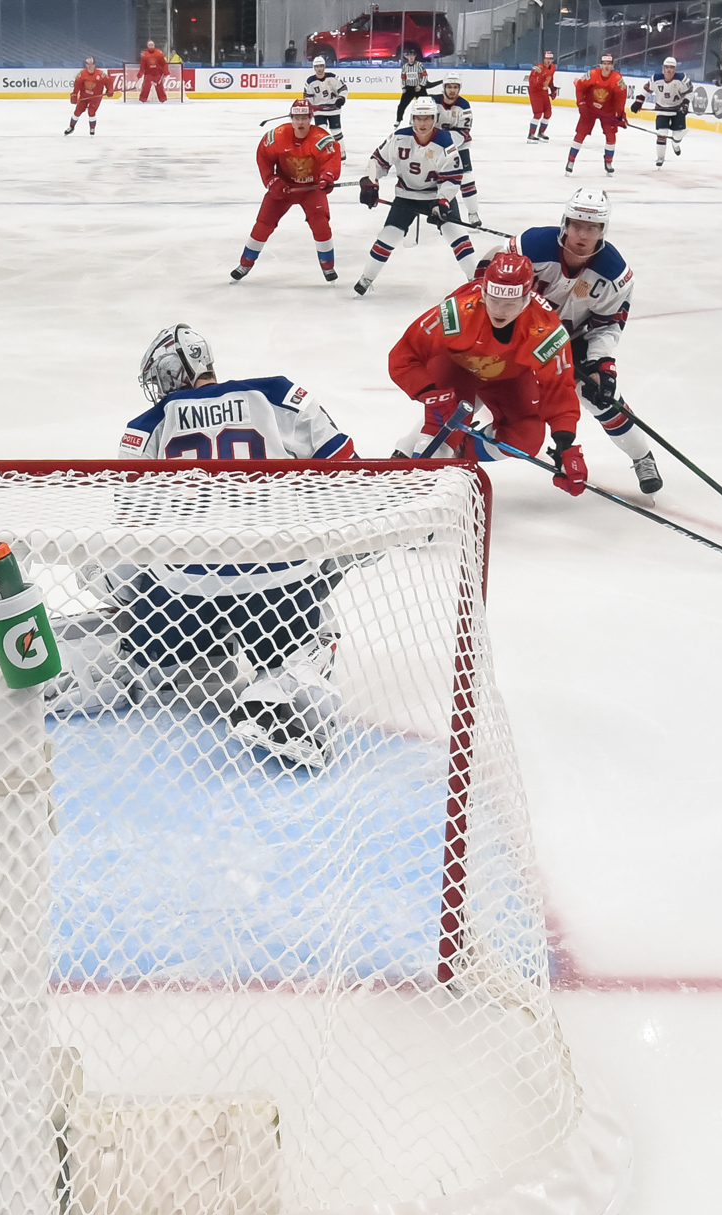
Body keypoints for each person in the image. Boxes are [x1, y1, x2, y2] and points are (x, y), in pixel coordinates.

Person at [108, 325, 357, 767]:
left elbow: (131, 524)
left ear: (169, 374)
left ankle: (172, 652)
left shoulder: (146, 426)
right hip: (281, 585)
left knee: (107, 568)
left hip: (184, 594)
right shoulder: (279, 393)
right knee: (333, 557)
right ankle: (283, 677)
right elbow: (347, 471)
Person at [472, 189, 661, 493]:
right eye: (576, 225)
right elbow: (490, 269)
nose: (581, 234)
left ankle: (641, 456)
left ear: (603, 230)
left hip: (567, 342)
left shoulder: (614, 275)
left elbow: (607, 324)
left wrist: (601, 364)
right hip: (514, 334)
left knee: (600, 396)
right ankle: (421, 450)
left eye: (591, 227)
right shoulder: (532, 245)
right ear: (565, 223)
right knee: (472, 384)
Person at [386, 251, 588, 493]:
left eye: (510, 303)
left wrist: (565, 442)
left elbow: (558, 388)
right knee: (441, 428)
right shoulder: (457, 312)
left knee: (528, 438)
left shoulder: (545, 329)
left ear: (527, 298)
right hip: (455, 366)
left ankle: (461, 451)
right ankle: (424, 481)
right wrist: (428, 391)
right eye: (494, 300)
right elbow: (404, 355)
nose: (500, 311)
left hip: (508, 375)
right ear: (482, 292)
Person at [352, 96, 477, 296]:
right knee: (387, 237)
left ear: (434, 118)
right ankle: (366, 278)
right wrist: (372, 180)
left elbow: (453, 178)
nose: (422, 123)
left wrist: (443, 202)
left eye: (427, 118)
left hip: (437, 197)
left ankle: (476, 281)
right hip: (406, 195)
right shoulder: (399, 137)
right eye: (419, 118)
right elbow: (378, 161)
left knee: (458, 236)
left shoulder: (445, 142)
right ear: (412, 119)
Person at [233, 100, 341, 283]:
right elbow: (264, 158)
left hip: (311, 189)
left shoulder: (321, 139)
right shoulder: (277, 136)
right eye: (297, 118)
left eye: (305, 118)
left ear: (311, 118)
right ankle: (245, 264)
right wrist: (272, 180)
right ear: (291, 119)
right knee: (263, 224)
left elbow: (331, 160)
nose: (301, 122)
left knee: (321, 224)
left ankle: (328, 266)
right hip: (284, 189)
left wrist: (327, 177)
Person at [566, 52, 628, 177]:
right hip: (589, 109)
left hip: (608, 111)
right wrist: (581, 103)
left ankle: (608, 162)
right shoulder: (592, 75)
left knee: (611, 136)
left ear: (612, 65)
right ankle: (570, 161)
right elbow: (579, 86)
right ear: (600, 65)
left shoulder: (617, 79)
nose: (606, 67)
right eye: (604, 64)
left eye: (609, 64)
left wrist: (620, 114)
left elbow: (621, 97)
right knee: (580, 134)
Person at [433, 76, 480, 222]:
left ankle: (473, 214)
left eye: (455, 87)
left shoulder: (464, 105)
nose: (452, 90)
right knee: (431, 179)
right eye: (449, 87)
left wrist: (441, 140)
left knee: (466, 179)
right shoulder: (432, 102)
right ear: (444, 88)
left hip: (460, 147)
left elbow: (463, 133)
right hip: (434, 146)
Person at [632, 56, 692, 165]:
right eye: (667, 67)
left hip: (678, 110)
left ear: (675, 69)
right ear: (663, 68)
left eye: (672, 67)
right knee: (661, 134)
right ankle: (660, 157)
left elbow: (690, 92)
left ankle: (676, 143)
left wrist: (686, 103)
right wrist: (638, 102)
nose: (669, 70)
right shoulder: (656, 79)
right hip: (662, 110)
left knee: (677, 135)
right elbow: (645, 90)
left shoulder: (682, 79)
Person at [304, 55, 348, 152]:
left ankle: (342, 153)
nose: (319, 69)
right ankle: (323, 154)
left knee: (336, 132)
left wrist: (341, 98)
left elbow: (343, 89)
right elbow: (308, 97)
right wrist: (309, 108)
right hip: (319, 112)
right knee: (321, 132)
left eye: (321, 66)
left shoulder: (333, 77)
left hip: (334, 110)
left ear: (324, 67)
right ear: (314, 68)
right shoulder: (310, 81)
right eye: (317, 66)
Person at [66, 57, 110, 136]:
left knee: (91, 112)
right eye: (88, 64)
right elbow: (77, 85)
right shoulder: (82, 74)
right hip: (84, 97)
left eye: (91, 64)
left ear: (94, 65)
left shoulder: (101, 74)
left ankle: (92, 128)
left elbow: (108, 82)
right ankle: (71, 127)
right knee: (77, 111)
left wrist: (110, 90)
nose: (90, 66)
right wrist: (74, 94)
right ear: (86, 65)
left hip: (96, 97)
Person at [527, 50, 558, 142]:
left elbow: (550, 79)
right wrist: (539, 81)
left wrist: (552, 88)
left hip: (544, 92)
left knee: (548, 113)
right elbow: (532, 81)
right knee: (538, 113)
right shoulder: (538, 68)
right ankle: (531, 134)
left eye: (550, 59)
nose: (548, 61)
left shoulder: (552, 67)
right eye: (547, 58)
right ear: (543, 59)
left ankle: (541, 133)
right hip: (536, 92)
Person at [396, 49, 433, 121]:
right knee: (401, 106)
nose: (411, 57)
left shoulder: (419, 65)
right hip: (409, 89)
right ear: (407, 57)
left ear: (415, 56)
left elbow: (424, 75)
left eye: (412, 56)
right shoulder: (405, 66)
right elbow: (403, 78)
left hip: (419, 88)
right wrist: (403, 87)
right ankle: (398, 120)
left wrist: (421, 85)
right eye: (409, 56)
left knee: (427, 103)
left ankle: (430, 118)